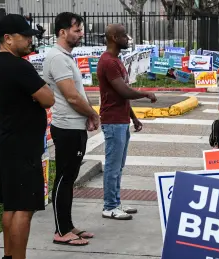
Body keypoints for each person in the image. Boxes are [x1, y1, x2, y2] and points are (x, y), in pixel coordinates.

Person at [0, 14, 55, 259]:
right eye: (25, 36)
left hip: (6, 141)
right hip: (21, 146)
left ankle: (9, 258)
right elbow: (48, 98)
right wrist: (40, 94)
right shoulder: (18, 66)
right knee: (24, 208)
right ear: (8, 39)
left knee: (11, 204)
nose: (30, 40)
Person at [43, 12, 99, 246]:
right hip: (66, 127)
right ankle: (61, 231)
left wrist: (86, 116)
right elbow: (72, 97)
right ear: (62, 32)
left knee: (70, 177)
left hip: (75, 126)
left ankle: (68, 225)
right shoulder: (57, 58)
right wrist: (92, 113)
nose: (81, 34)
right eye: (77, 30)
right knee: (64, 178)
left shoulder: (65, 56)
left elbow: (76, 94)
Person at [98, 24, 157, 220]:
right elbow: (123, 91)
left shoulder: (117, 60)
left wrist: (133, 117)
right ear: (114, 37)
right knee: (113, 166)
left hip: (121, 120)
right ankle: (110, 206)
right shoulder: (108, 62)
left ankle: (116, 202)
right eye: (123, 35)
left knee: (118, 166)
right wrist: (146, 94)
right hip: (113, 121)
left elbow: (121, 95)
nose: (127, 38)